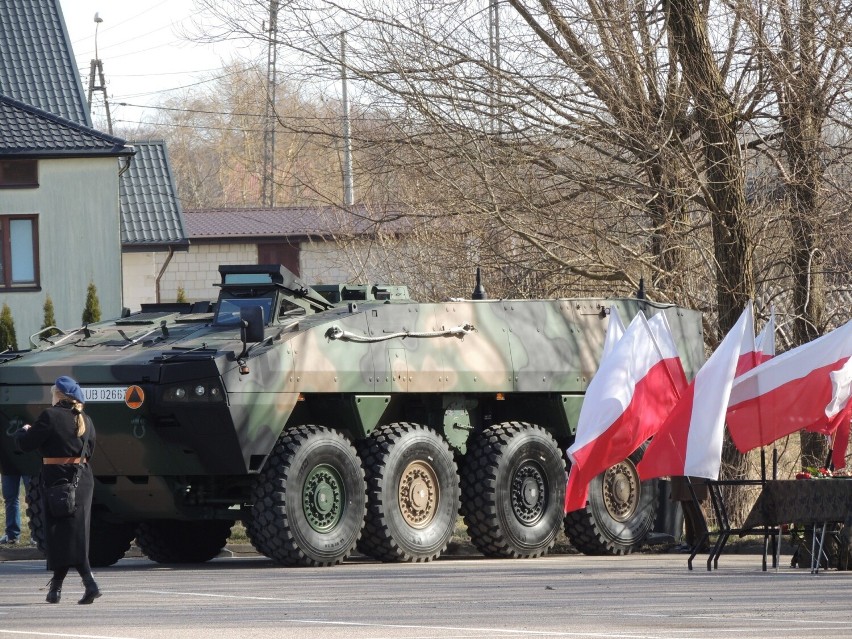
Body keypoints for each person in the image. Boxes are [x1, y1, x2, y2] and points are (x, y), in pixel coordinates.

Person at [16, 376, 100, 605]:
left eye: (53, 393)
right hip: (81, 480)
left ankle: (89, 583)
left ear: (59, 395)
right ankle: (57, 589)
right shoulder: (87, 420)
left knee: (59, 534)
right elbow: (90, 449)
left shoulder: (50, 416)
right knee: (73, 533)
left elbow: (25, 444)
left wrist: (24, 431)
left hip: (57, 481)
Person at [0, 471, 30, 544]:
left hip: (29, 461)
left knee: (33, 497)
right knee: (10, 498)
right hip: (7, 462)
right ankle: (12, 536)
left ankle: (37, 535)